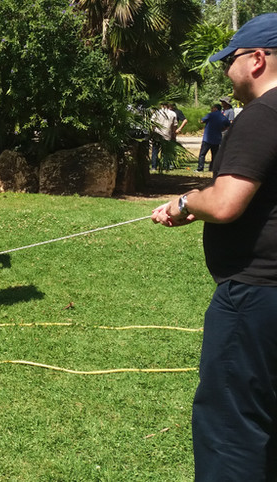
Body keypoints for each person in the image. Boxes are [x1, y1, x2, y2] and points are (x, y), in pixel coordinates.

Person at [151, 13, 277, 480]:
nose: (226, 71)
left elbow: (225, 203)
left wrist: (185, 202)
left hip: (253, 297)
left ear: (257, 59)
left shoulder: (263, 115)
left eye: (231, 61)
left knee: (232, 430)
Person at [196, 104, 230, 172]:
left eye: (212, 108)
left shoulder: (210, 115)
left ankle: (200, 168)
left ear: (215, 108)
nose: (211, 109)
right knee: (214, 155)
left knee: (202, 154)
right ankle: (212, 168)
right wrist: (222, 129)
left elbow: (202, 121)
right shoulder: (223, 117)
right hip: (217, 139)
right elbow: (228, 125)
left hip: (207, 138)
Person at [150, 102, 177, 170]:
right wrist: (173, 134)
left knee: (155, 151)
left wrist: (152, 132)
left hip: (157, 135)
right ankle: (166, 166)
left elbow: (152, 124)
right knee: (165, 152)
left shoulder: (157, 113)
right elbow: (174, 125)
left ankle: (154, 166)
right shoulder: (173, 113)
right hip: (167, 135)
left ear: (161, 105)